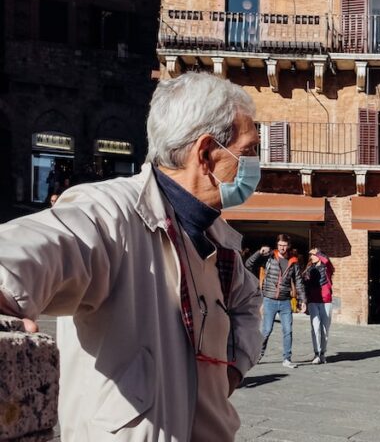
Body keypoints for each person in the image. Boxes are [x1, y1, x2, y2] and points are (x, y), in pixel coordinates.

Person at [0, 72, 263, 439]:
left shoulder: (220, 240)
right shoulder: (112, 211)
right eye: (249, 151)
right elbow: (51, 239)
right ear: (205, 154)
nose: (255, 165)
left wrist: (229, 371)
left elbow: (248, 304)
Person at [245, 234, 307, 368]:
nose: (282, 248)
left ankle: (287, 359)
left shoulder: (293, 261)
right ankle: (258, 355)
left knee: (288, 330)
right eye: (280, 245)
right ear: (277, 245)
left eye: (284, 245)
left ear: (288, 246)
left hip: (285, 301)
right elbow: (248, 264)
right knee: (266, 330)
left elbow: (299, 282)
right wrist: (258, 253)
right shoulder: (270, 257)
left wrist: (303, 300)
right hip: (269, 300)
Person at [303, 246, 335, 364]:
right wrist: (304, 301)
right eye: (311, 255)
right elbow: (305, 286)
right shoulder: (309, 269)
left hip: (326, 301)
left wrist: (319, 252)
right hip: (313, 301)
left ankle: (323, 353)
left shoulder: (327, 268)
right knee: (315, 328)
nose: (311, 257)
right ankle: (316, 353)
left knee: (325, 329)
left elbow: (327, 261)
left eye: (314, 255)